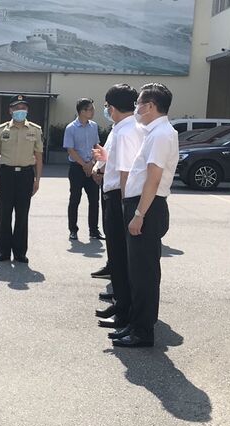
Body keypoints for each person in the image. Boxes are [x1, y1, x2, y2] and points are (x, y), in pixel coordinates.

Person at [113, 83, 178, 348]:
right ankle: (135, 324)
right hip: (143, 206)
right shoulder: (155, 132)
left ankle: (142, 332)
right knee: (138, 272)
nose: (136, 108)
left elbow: (153, 178)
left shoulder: (161, 134)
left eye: (139, 103)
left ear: (150, 106)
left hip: (147, 208)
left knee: (144, 275)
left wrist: (139, 214)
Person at [90, 84, 144, 333]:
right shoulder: (122, 128)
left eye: (106, 106)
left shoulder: (126, 131)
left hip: (119, 197)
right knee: (118, 256)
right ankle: (120, 304)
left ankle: (123, 312)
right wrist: (103, 161)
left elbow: (126, 173)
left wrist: (124, 207)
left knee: (120, 259)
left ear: (111, 107)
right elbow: (117, 161)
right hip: (114, 194)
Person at [0, 95, 44, 263]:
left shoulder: (35, 130)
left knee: (22, 215)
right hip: (6, 175)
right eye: (17, 108)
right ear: (10, 110)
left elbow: (39, 156)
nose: (21, 111)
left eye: (24, 108)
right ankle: (3, 252)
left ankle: (20, 252)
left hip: (26, 175)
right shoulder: (1, 130)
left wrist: (37, 180)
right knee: (5, 214)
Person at [64, 98, 104, 241]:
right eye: (90, 109)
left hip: (91, 166)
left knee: (94, 200)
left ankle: (94, 230)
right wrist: (84, 165)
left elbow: (96, 146)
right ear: (82, 111)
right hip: (77, 167)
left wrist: (93, 163)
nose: (93, 112)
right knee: (75, 199)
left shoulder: (94, 126)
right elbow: (71, 150)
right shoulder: (71, 128)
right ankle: (73, 230)